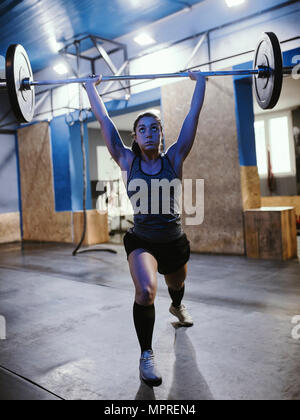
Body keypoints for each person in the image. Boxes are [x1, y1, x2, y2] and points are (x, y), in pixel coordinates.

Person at [85, 70, 206, 387]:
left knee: (175, 288)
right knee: (146, 291)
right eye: (142, 129)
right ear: (135, 138)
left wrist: (202, 82)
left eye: (155, 128)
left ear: (162, 135)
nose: (149, 133)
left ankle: (177, 306)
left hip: (174, 240)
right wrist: (89, 88)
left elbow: (193, 116)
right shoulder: (127, 161)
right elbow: (106, 122)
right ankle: (146, 354)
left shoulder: (175, 158)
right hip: (143, 242)